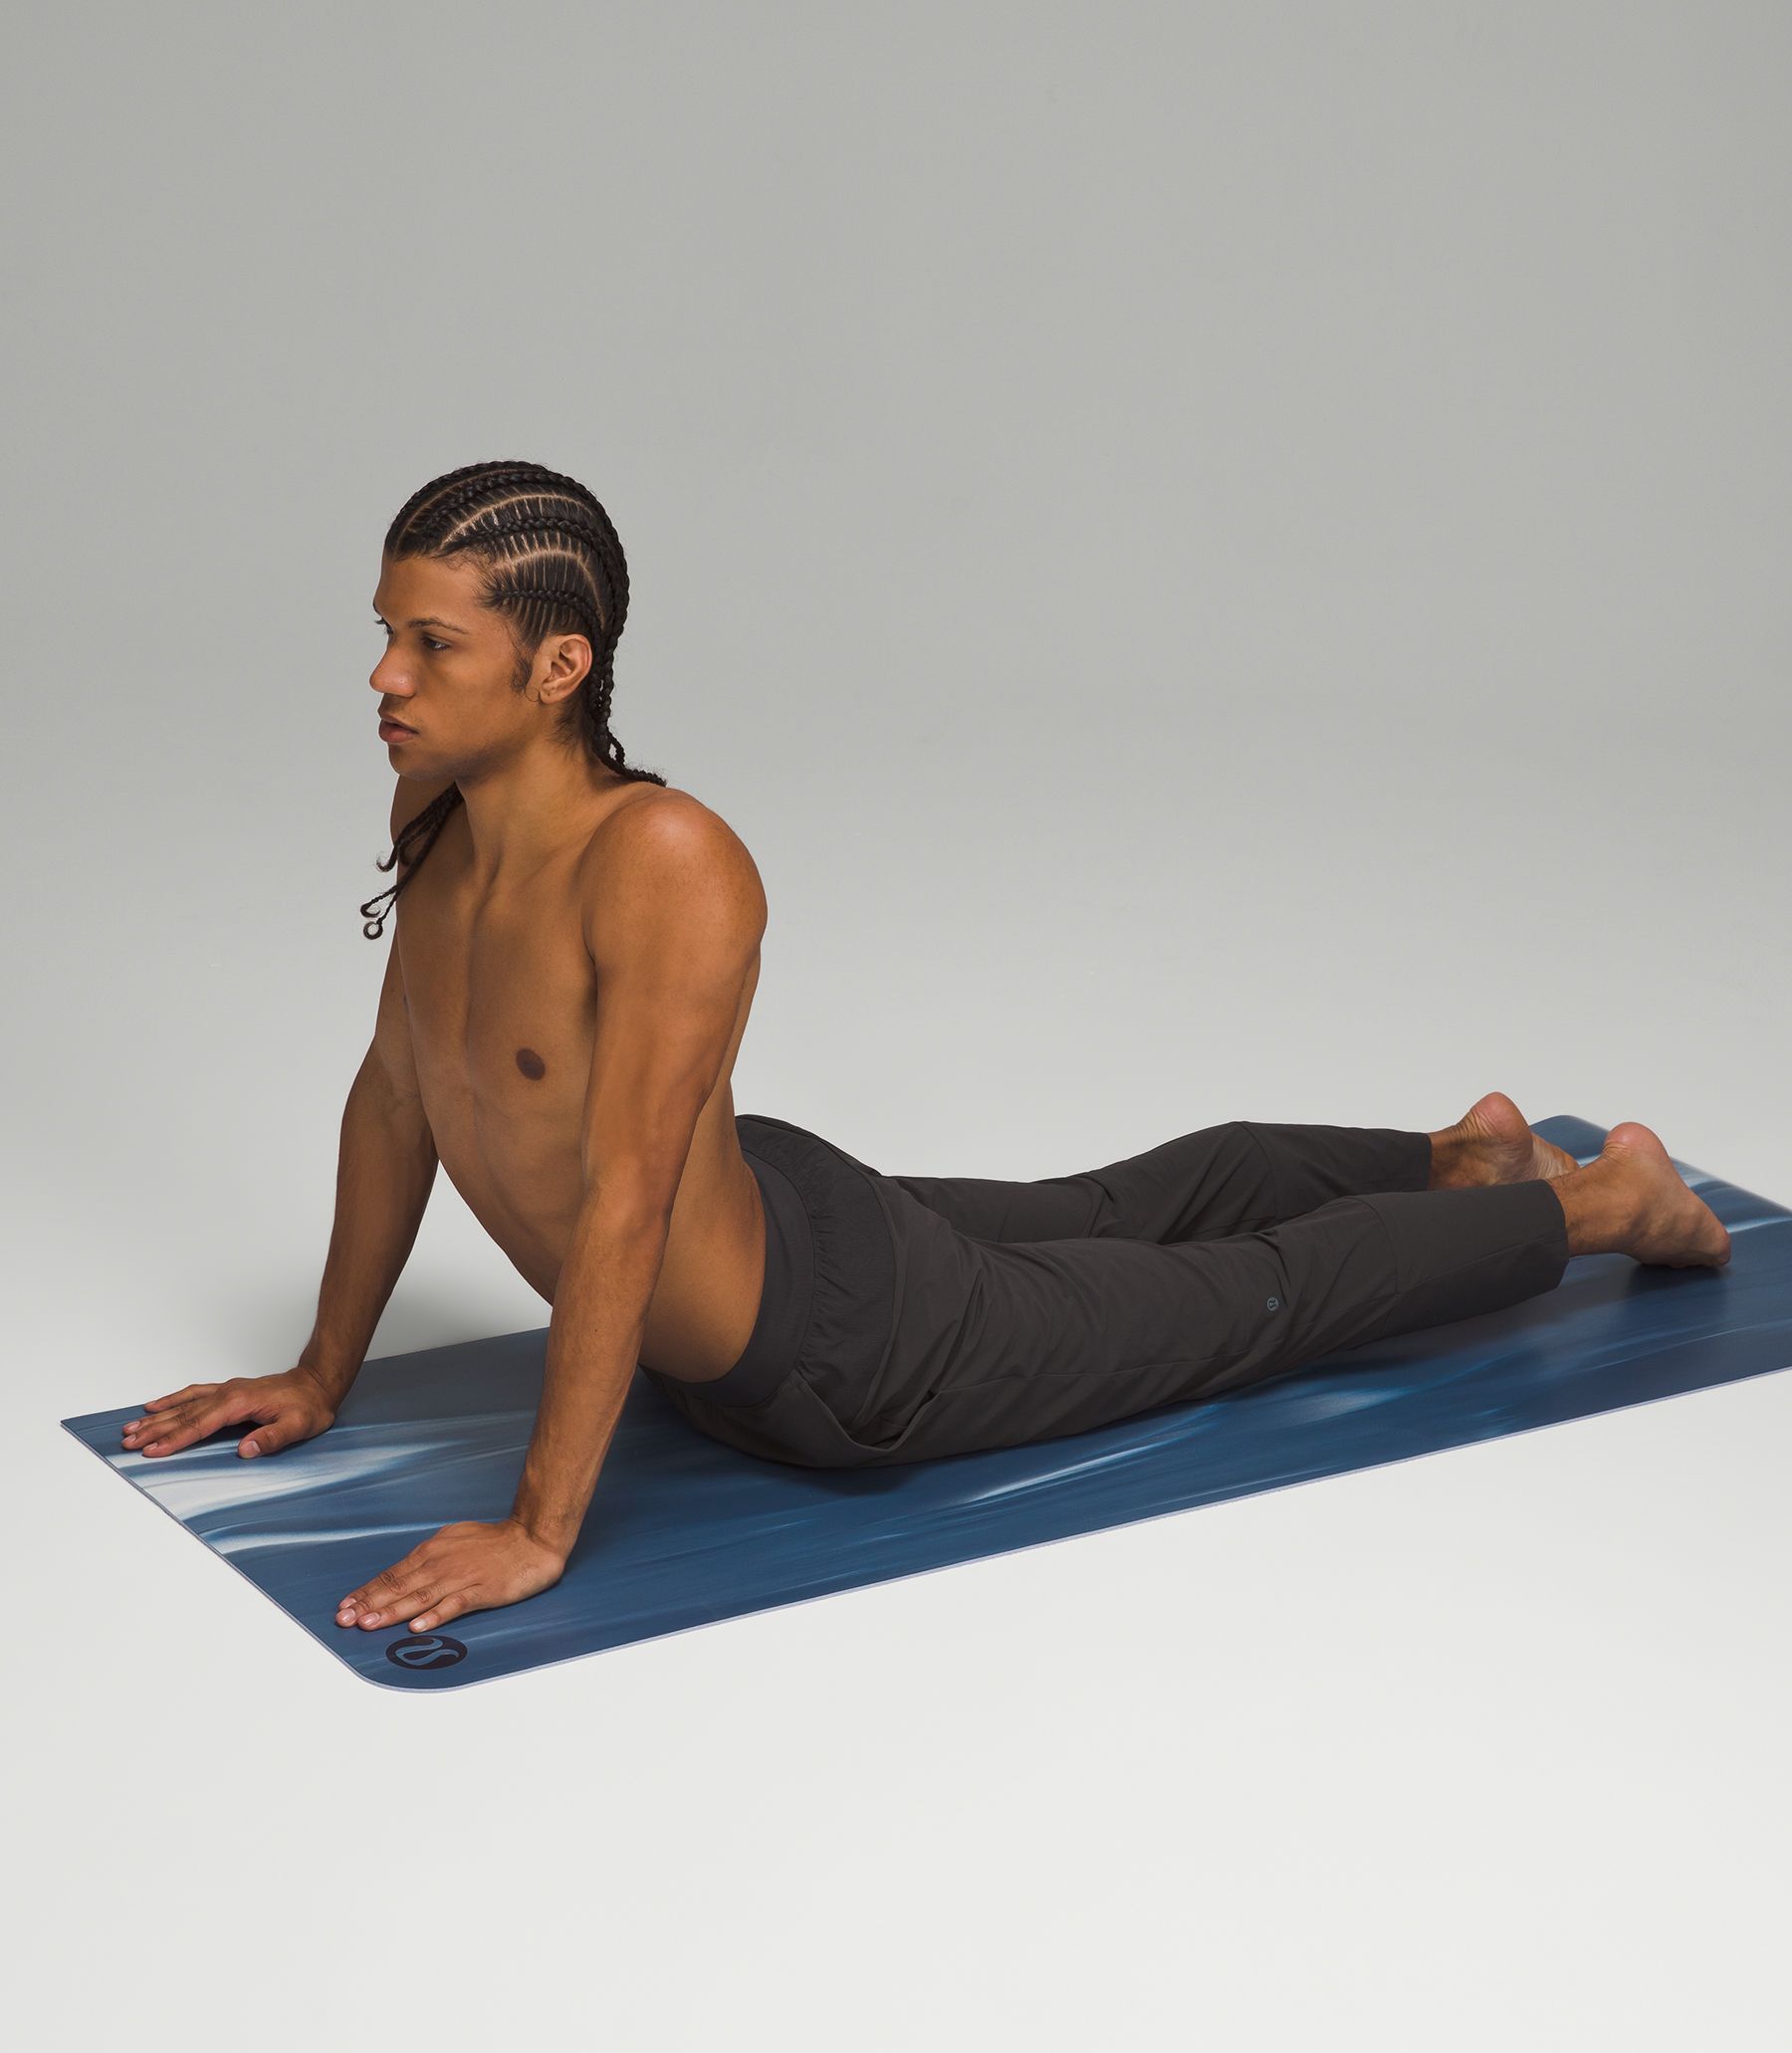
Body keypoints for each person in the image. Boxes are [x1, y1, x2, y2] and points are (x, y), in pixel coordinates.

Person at [117, 460, 1733, 1638]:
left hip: (850, 1353)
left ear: (559, 668)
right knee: (1116, 1209)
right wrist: (322, 1373)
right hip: (791, 1212)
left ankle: (1604, 1202)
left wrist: (543, 1529)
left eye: (430, 644)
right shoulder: (439, 812)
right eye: (385, 633)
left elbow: (628, 1202)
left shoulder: (666, 860)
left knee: (1253, 1299)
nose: (384, 677)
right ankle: (1459, 1157)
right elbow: (397, 1096)